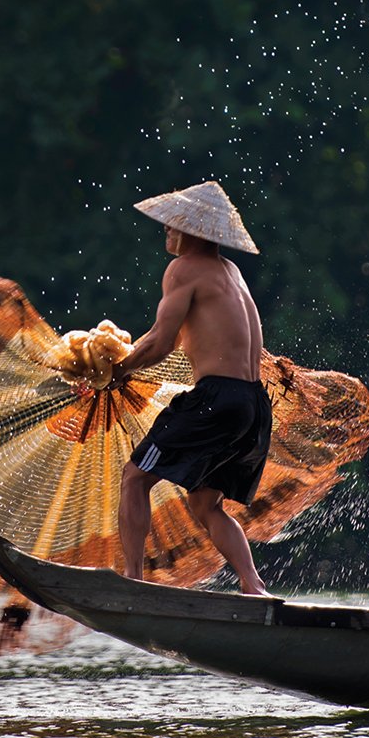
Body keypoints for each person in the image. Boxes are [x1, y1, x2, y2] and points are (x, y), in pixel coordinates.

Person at [111, 181, 273, 596]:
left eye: (172, 225)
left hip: (217, 399)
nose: (166, 231)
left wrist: (115, 370)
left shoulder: (182, 269)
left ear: (194, 230)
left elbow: (161, 343)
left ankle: (133, 581)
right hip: (253, 404)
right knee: (205, 504)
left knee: (134, 477)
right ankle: (252, 585)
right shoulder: (231, 273)